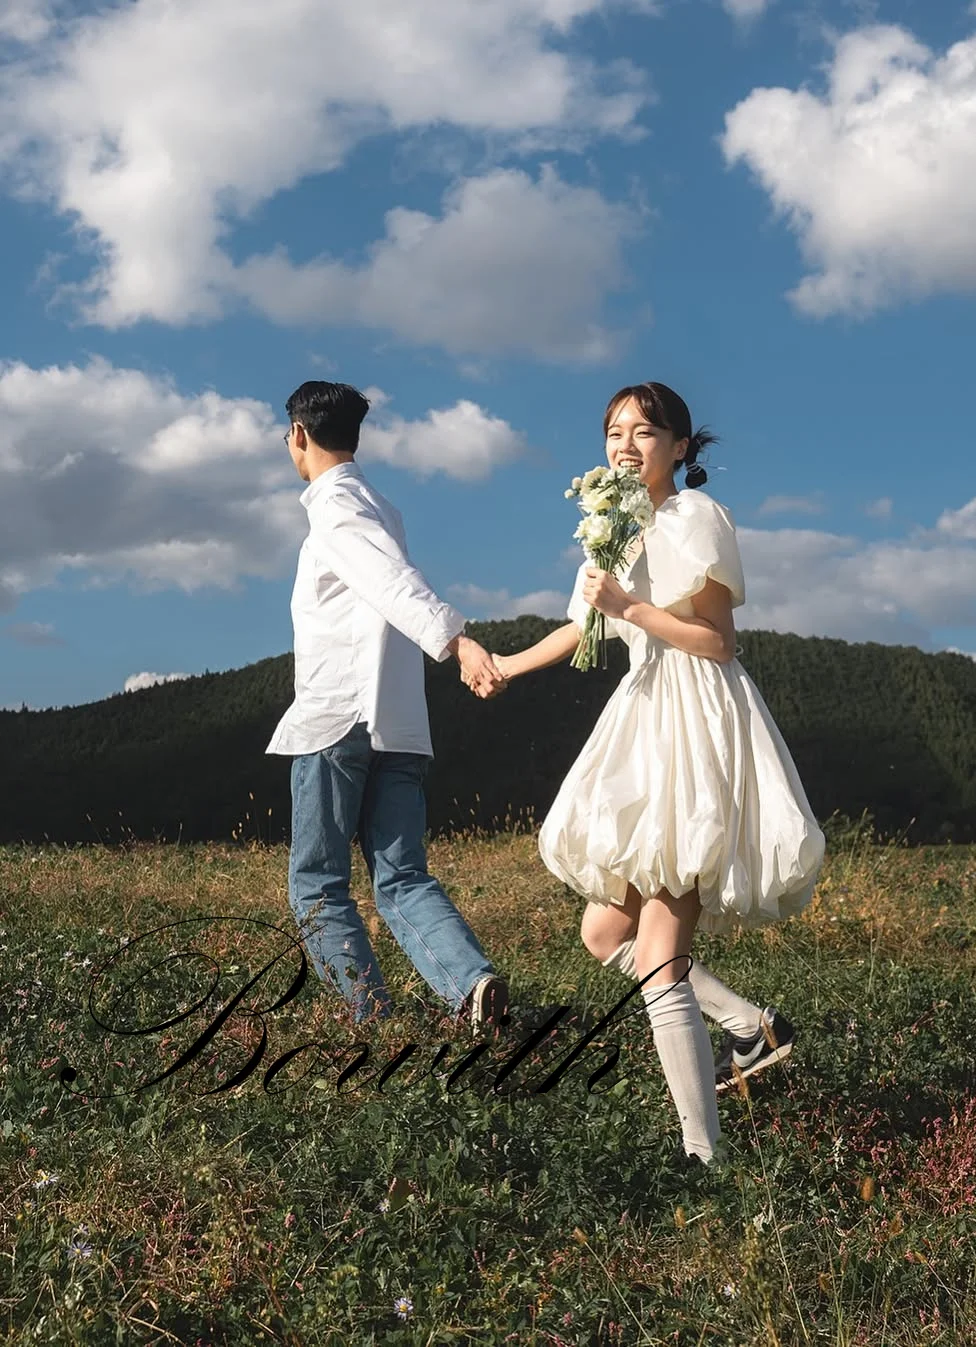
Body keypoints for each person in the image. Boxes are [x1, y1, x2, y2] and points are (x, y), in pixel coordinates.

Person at [490, 382, 826, 1167]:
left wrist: (631, 609)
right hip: (643, 720)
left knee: (657, 957)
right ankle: (749, 1026)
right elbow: (581, 623)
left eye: (645, 431)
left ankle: (702, 1156)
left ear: (679, 446)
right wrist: (506, 665)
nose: (626, 444)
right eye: (615, 432)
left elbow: (717, 641)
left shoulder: (694, 516)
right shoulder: (614, 525)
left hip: (693, 725)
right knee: (604, 931)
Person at [266, 380, 510, 1032]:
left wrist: (457, 642)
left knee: (317, 884)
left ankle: (372, 1023)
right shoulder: (382, 507)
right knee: (402, 878)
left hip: (340, 719)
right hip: (399, 724)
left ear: (298, 435)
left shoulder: (337, 507)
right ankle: (471, 982)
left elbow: (392, 582)